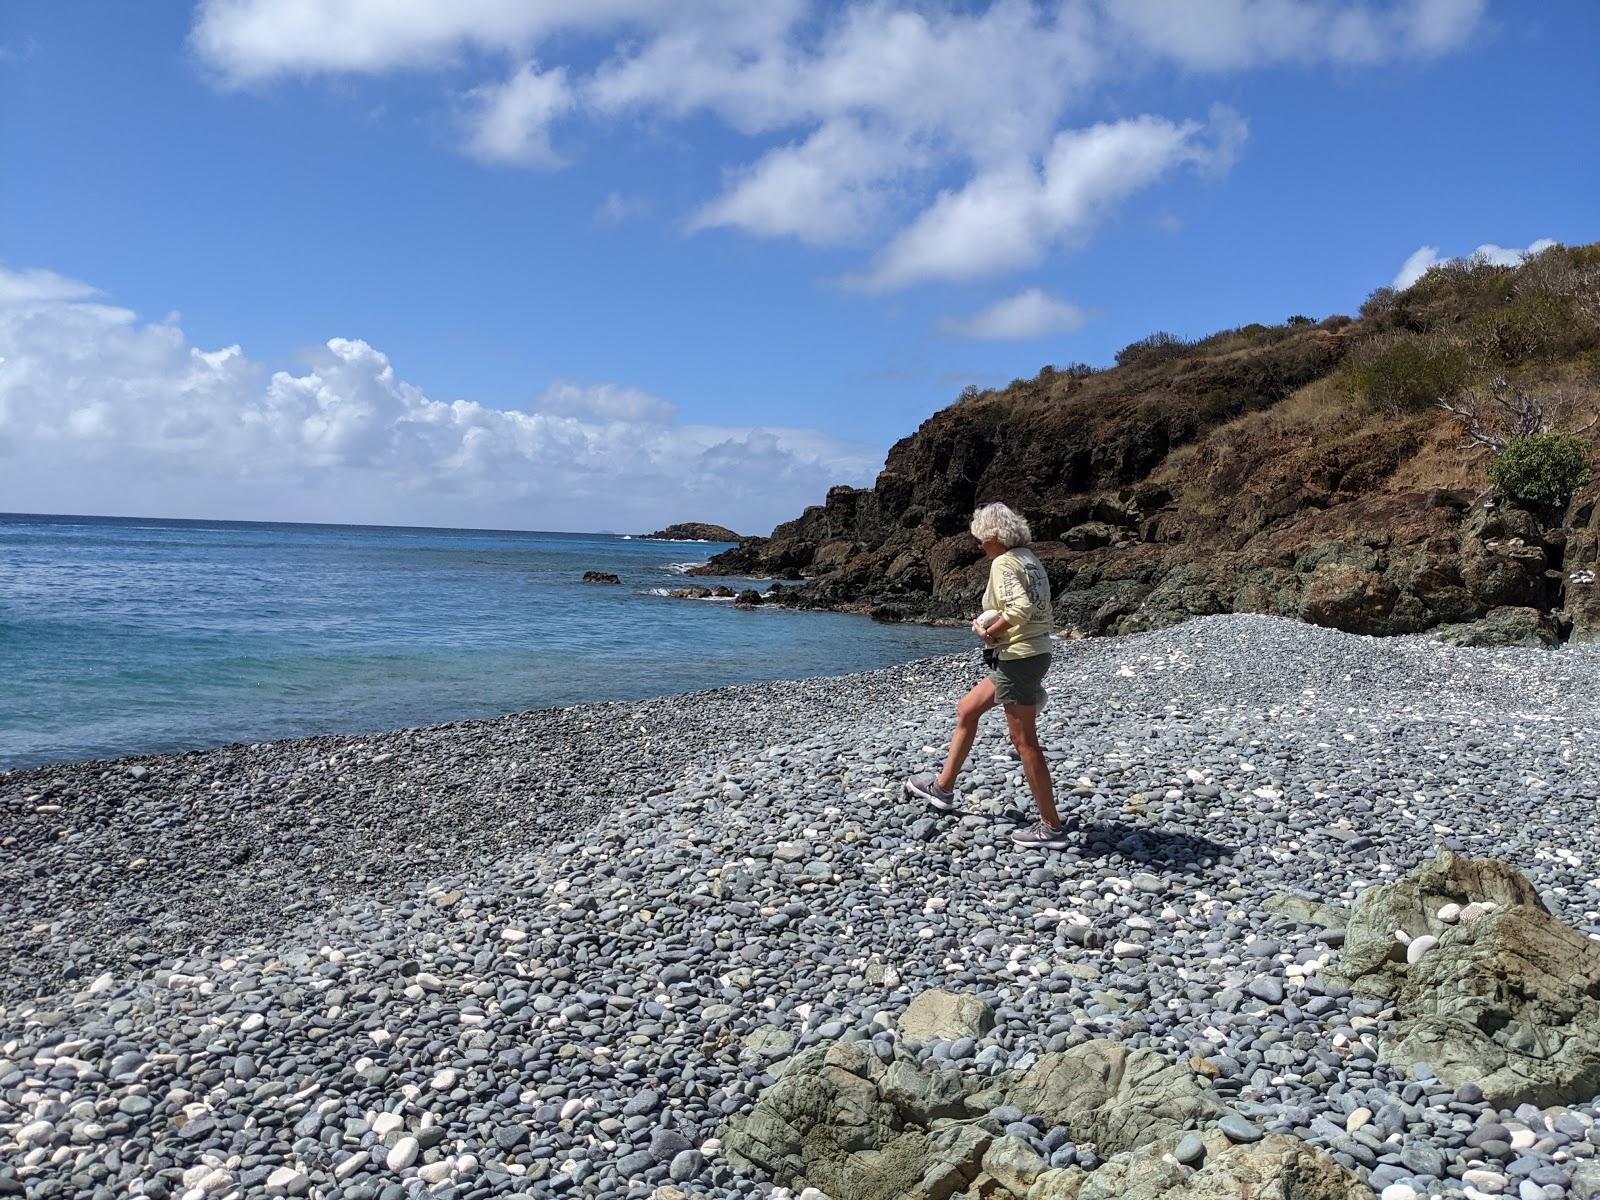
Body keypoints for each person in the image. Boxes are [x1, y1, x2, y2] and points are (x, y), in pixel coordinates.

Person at [905, 502, 1067, 848]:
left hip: (1019, 657)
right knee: (967, 708)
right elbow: (1036, 606)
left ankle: (1051, 827)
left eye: (981, 539)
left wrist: (988, 630)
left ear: (994, 535)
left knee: (1024, 743)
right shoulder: (1028, 557)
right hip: (1033, 652)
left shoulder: (1004, 562)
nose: (979, 546)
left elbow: (1019, 609)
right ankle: (942, 788)